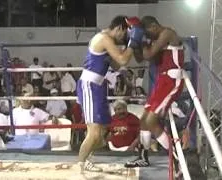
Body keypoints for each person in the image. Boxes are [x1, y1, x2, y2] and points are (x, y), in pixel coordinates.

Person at [76, 15, 144, 173]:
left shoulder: (109, 42)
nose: (124, 37)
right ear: (119, 28)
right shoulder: (104, 38)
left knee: (104, 133)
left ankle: (87, 159)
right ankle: (79, 167)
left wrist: (129, 46)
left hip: (98, 87)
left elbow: (116, 63)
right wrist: (132, 43)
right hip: (89, 85)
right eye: (125, 33)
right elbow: (122, 60)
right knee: (93, 133)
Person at [125, 16, 185, 167]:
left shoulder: (167, 33)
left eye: (146, 32)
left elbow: (148, 54)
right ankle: (143, 157)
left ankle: (179, 158)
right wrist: (135, 42)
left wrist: (140, 39)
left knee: (151, 121)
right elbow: (140, 59)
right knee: (144, 120)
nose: (147, 35)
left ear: (153, 26)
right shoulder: (155, 40)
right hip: (161, 82)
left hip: (172, 81)